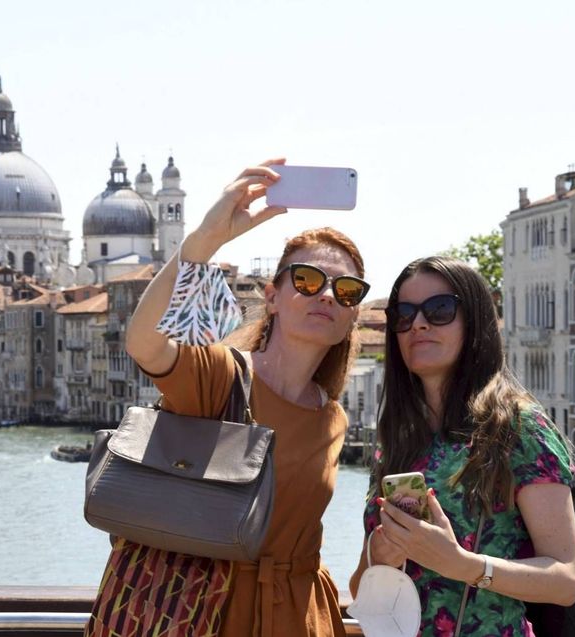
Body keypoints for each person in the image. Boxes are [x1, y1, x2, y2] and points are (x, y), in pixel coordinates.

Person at [86, 160, 369, 637]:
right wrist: (205, 240)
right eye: (306, 281)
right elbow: (145, 343)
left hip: (298, 617)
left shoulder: (333, 417)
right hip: (196, 613)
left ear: (352, 314)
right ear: (273, 296)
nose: (326, 296)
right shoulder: (221, 373)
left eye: (345, 289)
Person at [349, 256, 575, 636]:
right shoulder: (398, 438)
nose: (418, 324)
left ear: (473, 321)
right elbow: (363, 590)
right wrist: (380, 552)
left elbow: (565, 579)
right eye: (403, 315)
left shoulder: (519, 428)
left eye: (439, 310)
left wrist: (463, 565)